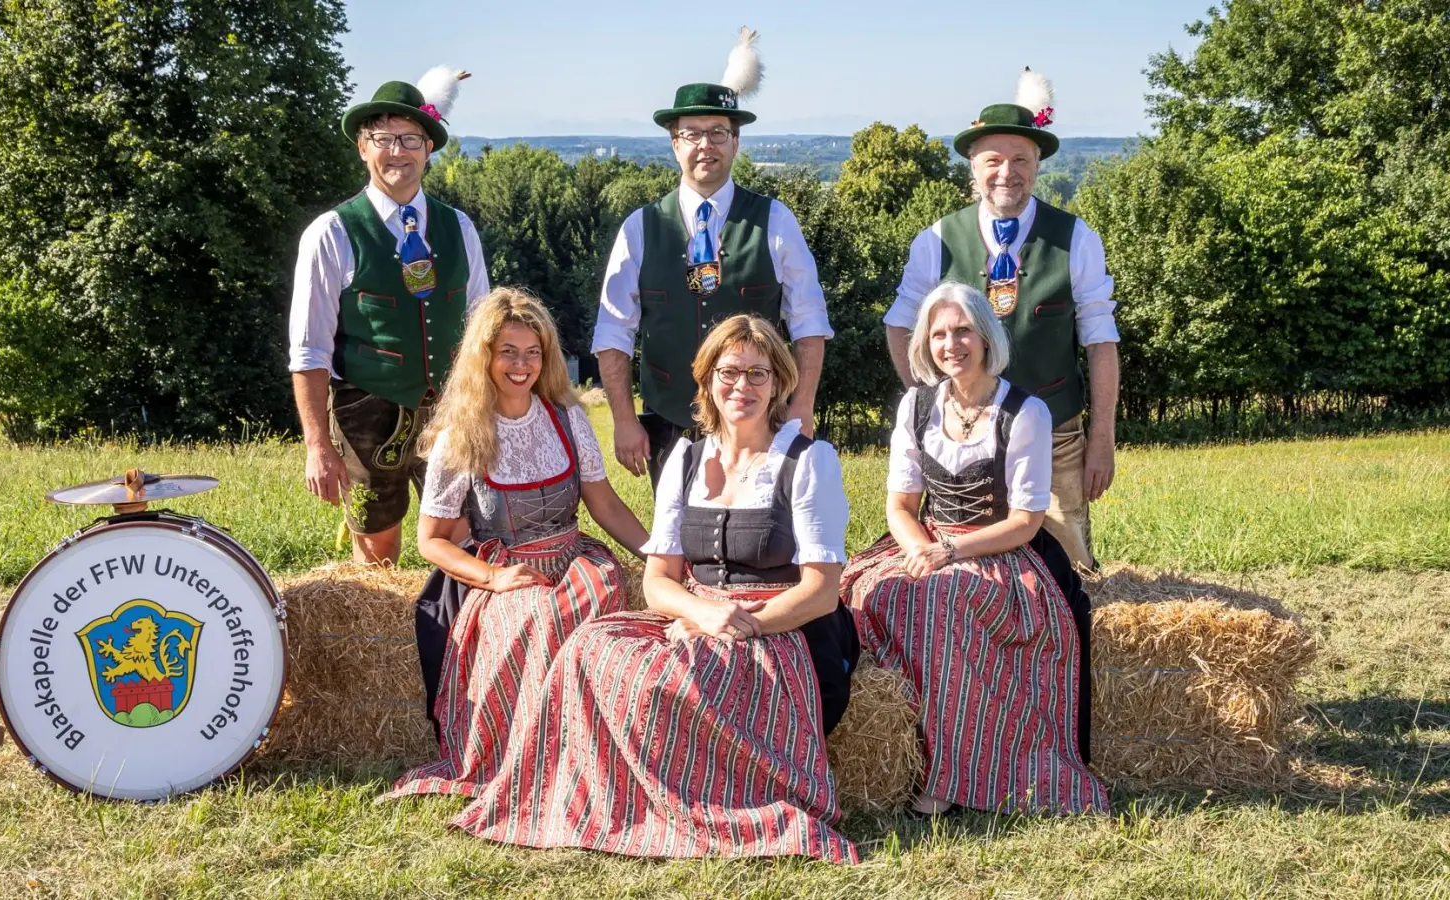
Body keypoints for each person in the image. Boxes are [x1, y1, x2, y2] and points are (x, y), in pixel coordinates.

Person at [451, 315, 861, 863]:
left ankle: (693, 801)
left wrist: (743, 621)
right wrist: (700, 612)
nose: (742, 387)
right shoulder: (688, 460)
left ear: (780, 382)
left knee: (682, 671)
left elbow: (821, 591)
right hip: (697, 613)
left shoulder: (808, 461)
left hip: (782, 627)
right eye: (729, 372)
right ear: (707, 380)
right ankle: (617, 801)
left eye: (757, 374)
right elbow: (657, 580)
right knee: (589, 648)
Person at [842, 282, 1108, 817]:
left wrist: (950, 555)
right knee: (871, 590)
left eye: (962, 330)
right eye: (939, 333)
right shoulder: (917, 407)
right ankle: (901, 755)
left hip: (1004, 553)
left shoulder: (1023, 412)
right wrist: (920, 550)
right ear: (925, 343)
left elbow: (1026, 521)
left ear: (986, 337)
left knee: (943, 602)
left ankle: (949, 778)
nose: (951, 343)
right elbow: (900, 506)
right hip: (930, 543)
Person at [386, 288, 648, 799]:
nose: (521, 365)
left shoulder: (566, 417)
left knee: (595, 613)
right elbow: (432, 540)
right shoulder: (460, 434)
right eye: (508, 351)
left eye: (533, 353)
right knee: (537, 618)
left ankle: (593, 753)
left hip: (574, 559)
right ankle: (535, 757)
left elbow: (605, 504)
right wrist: (495, 578)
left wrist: (661, 557)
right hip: (503, 568)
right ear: (484, 355)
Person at [882, 68, 1118, 571]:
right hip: (958, 437)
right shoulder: (935, 240)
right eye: (992, 160)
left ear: (1037, 166)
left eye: (1020, 160)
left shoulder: (1076, 239)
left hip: (1054, 431)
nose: (1006, 172)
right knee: (963, 568)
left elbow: (1100, 343)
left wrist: (1102, 440)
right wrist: (923, 404)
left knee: (1069, 568)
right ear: (973, 167)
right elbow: (899, 324)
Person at [592, 27, 833, 486]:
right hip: (668, 419)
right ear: (674, 143)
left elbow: (808, 321)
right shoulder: (640, 228)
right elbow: (613, 331)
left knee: (758, 537)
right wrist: (624, 419)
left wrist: (801, 406)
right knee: (675, 543)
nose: (707, 145)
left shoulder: (775, 221)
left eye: (719, 133)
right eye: (693, 134)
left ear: (736, 142)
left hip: (759, 417)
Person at [289, 68, 491, 564]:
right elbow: (309, 349)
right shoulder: (331, 232)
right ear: (363, 147)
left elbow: (482, 327)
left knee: (467, 539)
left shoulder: (459, 227)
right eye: (383, 138)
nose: (397, 151)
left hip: (451, 411)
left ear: (429, 149)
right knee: (378, 550)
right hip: (365, 412)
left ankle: (456, 638)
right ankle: (385, 639)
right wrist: (317, 444)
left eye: (410, 139)